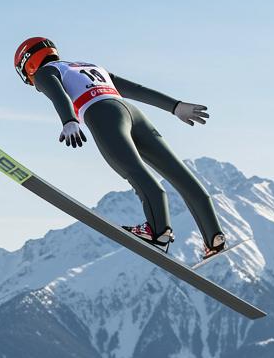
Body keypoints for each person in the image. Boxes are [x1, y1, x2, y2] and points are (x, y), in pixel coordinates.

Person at [15, 37, 227, 261]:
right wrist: (174, 106)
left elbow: (58, 94)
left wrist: (69, 120)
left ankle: (158, 232)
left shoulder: (44, 73)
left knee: (136, 173)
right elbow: (135, 89)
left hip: (103, 115)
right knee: (178, 173)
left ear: (28, 63)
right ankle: (214, 238)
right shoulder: (88, 66)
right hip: (133, 113)